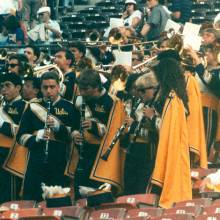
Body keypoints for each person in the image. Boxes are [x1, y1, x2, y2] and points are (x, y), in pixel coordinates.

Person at [16, 71, 76, 201]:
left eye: (52, 87)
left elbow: (75, 136)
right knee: (33, 201)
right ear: (41, 89)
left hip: (60, 163)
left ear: (59, 87)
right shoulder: (32, 106)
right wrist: (36, 137)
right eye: (45, 87)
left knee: (58, 202)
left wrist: (59, 128)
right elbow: (20, 136)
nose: (49, 91)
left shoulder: (69, 107)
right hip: (36, 162)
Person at [71, 69, 124, 200]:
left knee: (99, 195)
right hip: (82, 153)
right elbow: (73, 122)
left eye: (86, 89)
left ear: (97, 87)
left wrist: (94, 127)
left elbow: (116, 133)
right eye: (80, 89)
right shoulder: (79, 100)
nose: (82, 93)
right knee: (80, 194)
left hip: (102, 155)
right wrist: (74, 133)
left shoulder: (112, 102)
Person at [149, 58, 192, 208]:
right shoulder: (175, 96)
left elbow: (168, 131)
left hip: (173, 151)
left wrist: (152, 118)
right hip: (175, 149)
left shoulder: (172, 98)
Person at [123, 71, 159, 195]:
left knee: (142, 185)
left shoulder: (157, 105)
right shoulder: (142, 103)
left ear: (153, 89)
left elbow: (159, 133)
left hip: (148, 151)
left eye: (142, 91)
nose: (139, 94)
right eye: (138, 90)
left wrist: (135, 125)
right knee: (130, 184)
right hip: (134, 148)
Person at [0, 73, 26, 203]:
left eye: (7, 85)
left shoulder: (25, 106)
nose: (3, 89)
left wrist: (1, 124)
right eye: (1, 86)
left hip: (12, 155)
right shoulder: (4, 106)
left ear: (18, 88)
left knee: (9, 195)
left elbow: (21, 131)